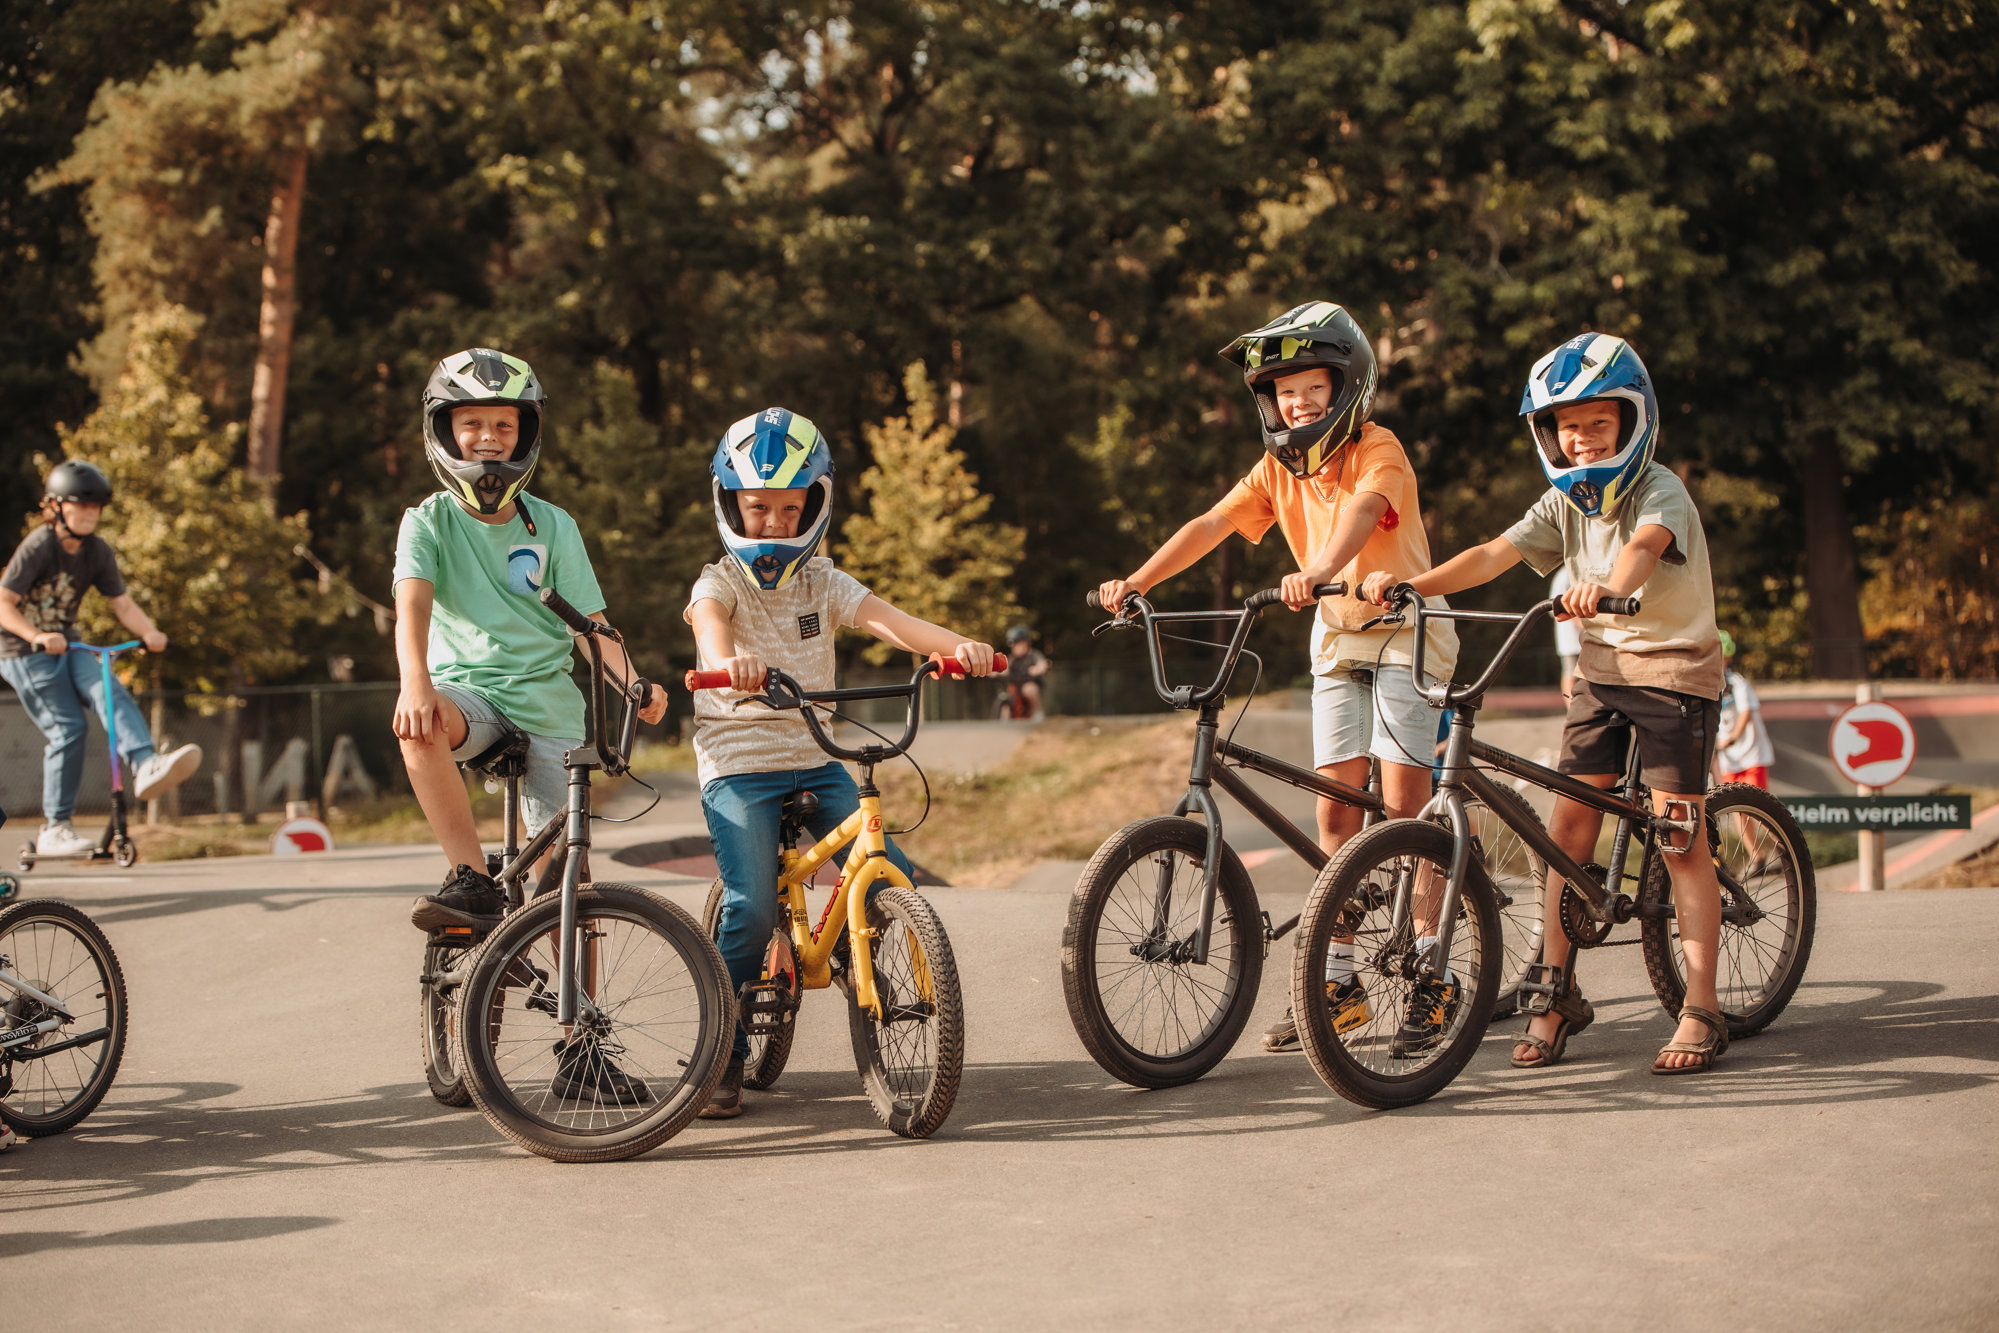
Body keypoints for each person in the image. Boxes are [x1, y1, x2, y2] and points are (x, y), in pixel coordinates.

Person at [1096, 300, 1460, 1057]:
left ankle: (1433, 969)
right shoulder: (1276, 469)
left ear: (1346, 387)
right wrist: (1136, 580)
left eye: (1311, 388)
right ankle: (1339, 986)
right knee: (1335, 814)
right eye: (1283, 392)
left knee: (1402, 810)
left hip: (1406, 633)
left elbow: (1364, 512)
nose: (1297, 403)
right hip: (1338, 642)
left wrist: (1319, 569)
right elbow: (1211, 524)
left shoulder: (1377, 447)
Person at [1363, 331, 1730, 1074]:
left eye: (1599, 422)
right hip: (1599, 674)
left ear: (1632, 421)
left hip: (1673, 674)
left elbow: (1644, 547)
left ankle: (1702, 1006)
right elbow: (1492, 554)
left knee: (1678, 840)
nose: (1582, 438)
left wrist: (1604, 586)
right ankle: (1555, 991)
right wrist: (1411, 586)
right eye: (1567, 427)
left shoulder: (1659, 488)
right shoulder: (1563, 502)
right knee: (1566, 833)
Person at [688, 406, 997, 1119]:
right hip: (740, 764)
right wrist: (728, 662)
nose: (773, 522)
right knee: (750, 906)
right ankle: (720, 1051)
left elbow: (893, 623)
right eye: (757, 506)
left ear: (815, 506)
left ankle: (849, 945)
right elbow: (708, 626)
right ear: (730, 504)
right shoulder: (720, 581)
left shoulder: (824, 582)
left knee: (892, 870)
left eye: (789, 507)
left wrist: (958, 647)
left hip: (814, 754)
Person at [393, 348, 669, 1108]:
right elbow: (412, 607)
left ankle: (581, 1048)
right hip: (469, 697)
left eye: (503, 426)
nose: (488, 439)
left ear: (525, 435)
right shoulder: (428, 521)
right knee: (417, 726)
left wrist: (633, 682)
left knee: (571, 885)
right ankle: (471, 881)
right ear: (443, 432)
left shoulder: (553, 525)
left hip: (549, 709)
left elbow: (592, 627)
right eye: (472, 424)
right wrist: (415, 683)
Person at [0, 461, 202, 853]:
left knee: (108, 687)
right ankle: (55, 827)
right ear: (56, 506)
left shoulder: (96, 551)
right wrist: (36, 635)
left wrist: (149, 633)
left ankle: (145, 764)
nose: (90, 513)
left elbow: (121, 603)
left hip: (69, 645)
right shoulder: (40, 545)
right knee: (69, 728)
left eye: (96, 506)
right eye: (81, 504)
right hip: (23, 651)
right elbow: (4, 602)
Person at [1003, 625, 1049, 719]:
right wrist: (993, 672)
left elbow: (1042, 664)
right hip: (1016, 688)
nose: (1014, 647)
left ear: (1025, 643)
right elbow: (1005, 669)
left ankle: (1037, 713)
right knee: (1006, 698)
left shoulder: (1034, 655)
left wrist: (1036, 669)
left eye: (1016, 643)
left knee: (1029, 689)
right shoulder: (1013, 659)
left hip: (1029, 686)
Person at [1550, 567, 1581, 697]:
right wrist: (1580, 623)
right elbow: (1553, 608)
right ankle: (1570, 706)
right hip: (1571, 640)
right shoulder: (1565, 575)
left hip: (1587, 639)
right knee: (1571, 673)